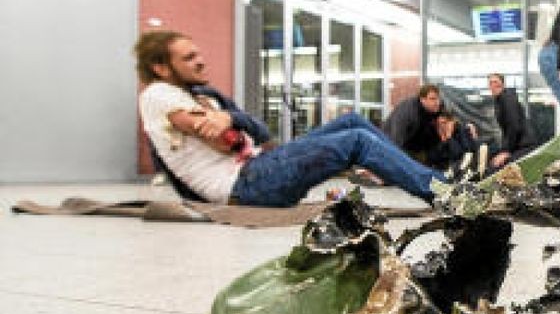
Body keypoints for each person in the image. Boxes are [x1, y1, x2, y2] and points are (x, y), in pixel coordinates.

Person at [136, 30, 443, 206]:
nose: (201, 61)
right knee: (356, 140)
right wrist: (228, 123)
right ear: (161, 68)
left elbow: (256, 130)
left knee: (353, 122)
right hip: (243, 186)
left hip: (258, 168)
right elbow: (223, 138)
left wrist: (229, 117)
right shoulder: (158, 94)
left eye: (198, 53)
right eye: (189, 58)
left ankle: (424, 180)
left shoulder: (204, 95)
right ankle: (445, 194)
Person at [381, 84, 443, 163]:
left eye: (438, 98)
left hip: (417, 146)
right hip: (394, 143)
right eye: (432, 99)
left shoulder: (437, 108)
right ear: (422, 100)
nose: (437, 102)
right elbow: (396, 139)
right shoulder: (407, 113)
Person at [487, 73, 537, 169]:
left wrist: (506, 151)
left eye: (495, 82)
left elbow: (514, 126)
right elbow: (506, 129)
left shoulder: (507, 97)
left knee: (498, 168)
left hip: (524, 146)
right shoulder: (499, 100)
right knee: (493, 162)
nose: (493, 85)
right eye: (490, 83)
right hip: (518, 145)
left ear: (503, 84)